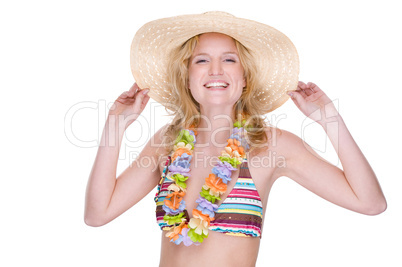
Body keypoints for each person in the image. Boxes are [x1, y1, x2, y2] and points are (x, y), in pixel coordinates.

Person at [84, 11, 387, 267]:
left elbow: (370, 203)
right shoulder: (168, 142)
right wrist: (116, 124)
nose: (216, 69)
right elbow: (98, 214)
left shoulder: (271, 145)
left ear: (245, 77)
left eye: (229, 59)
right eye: (201, 61)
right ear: (187, 78)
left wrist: (328, 119)